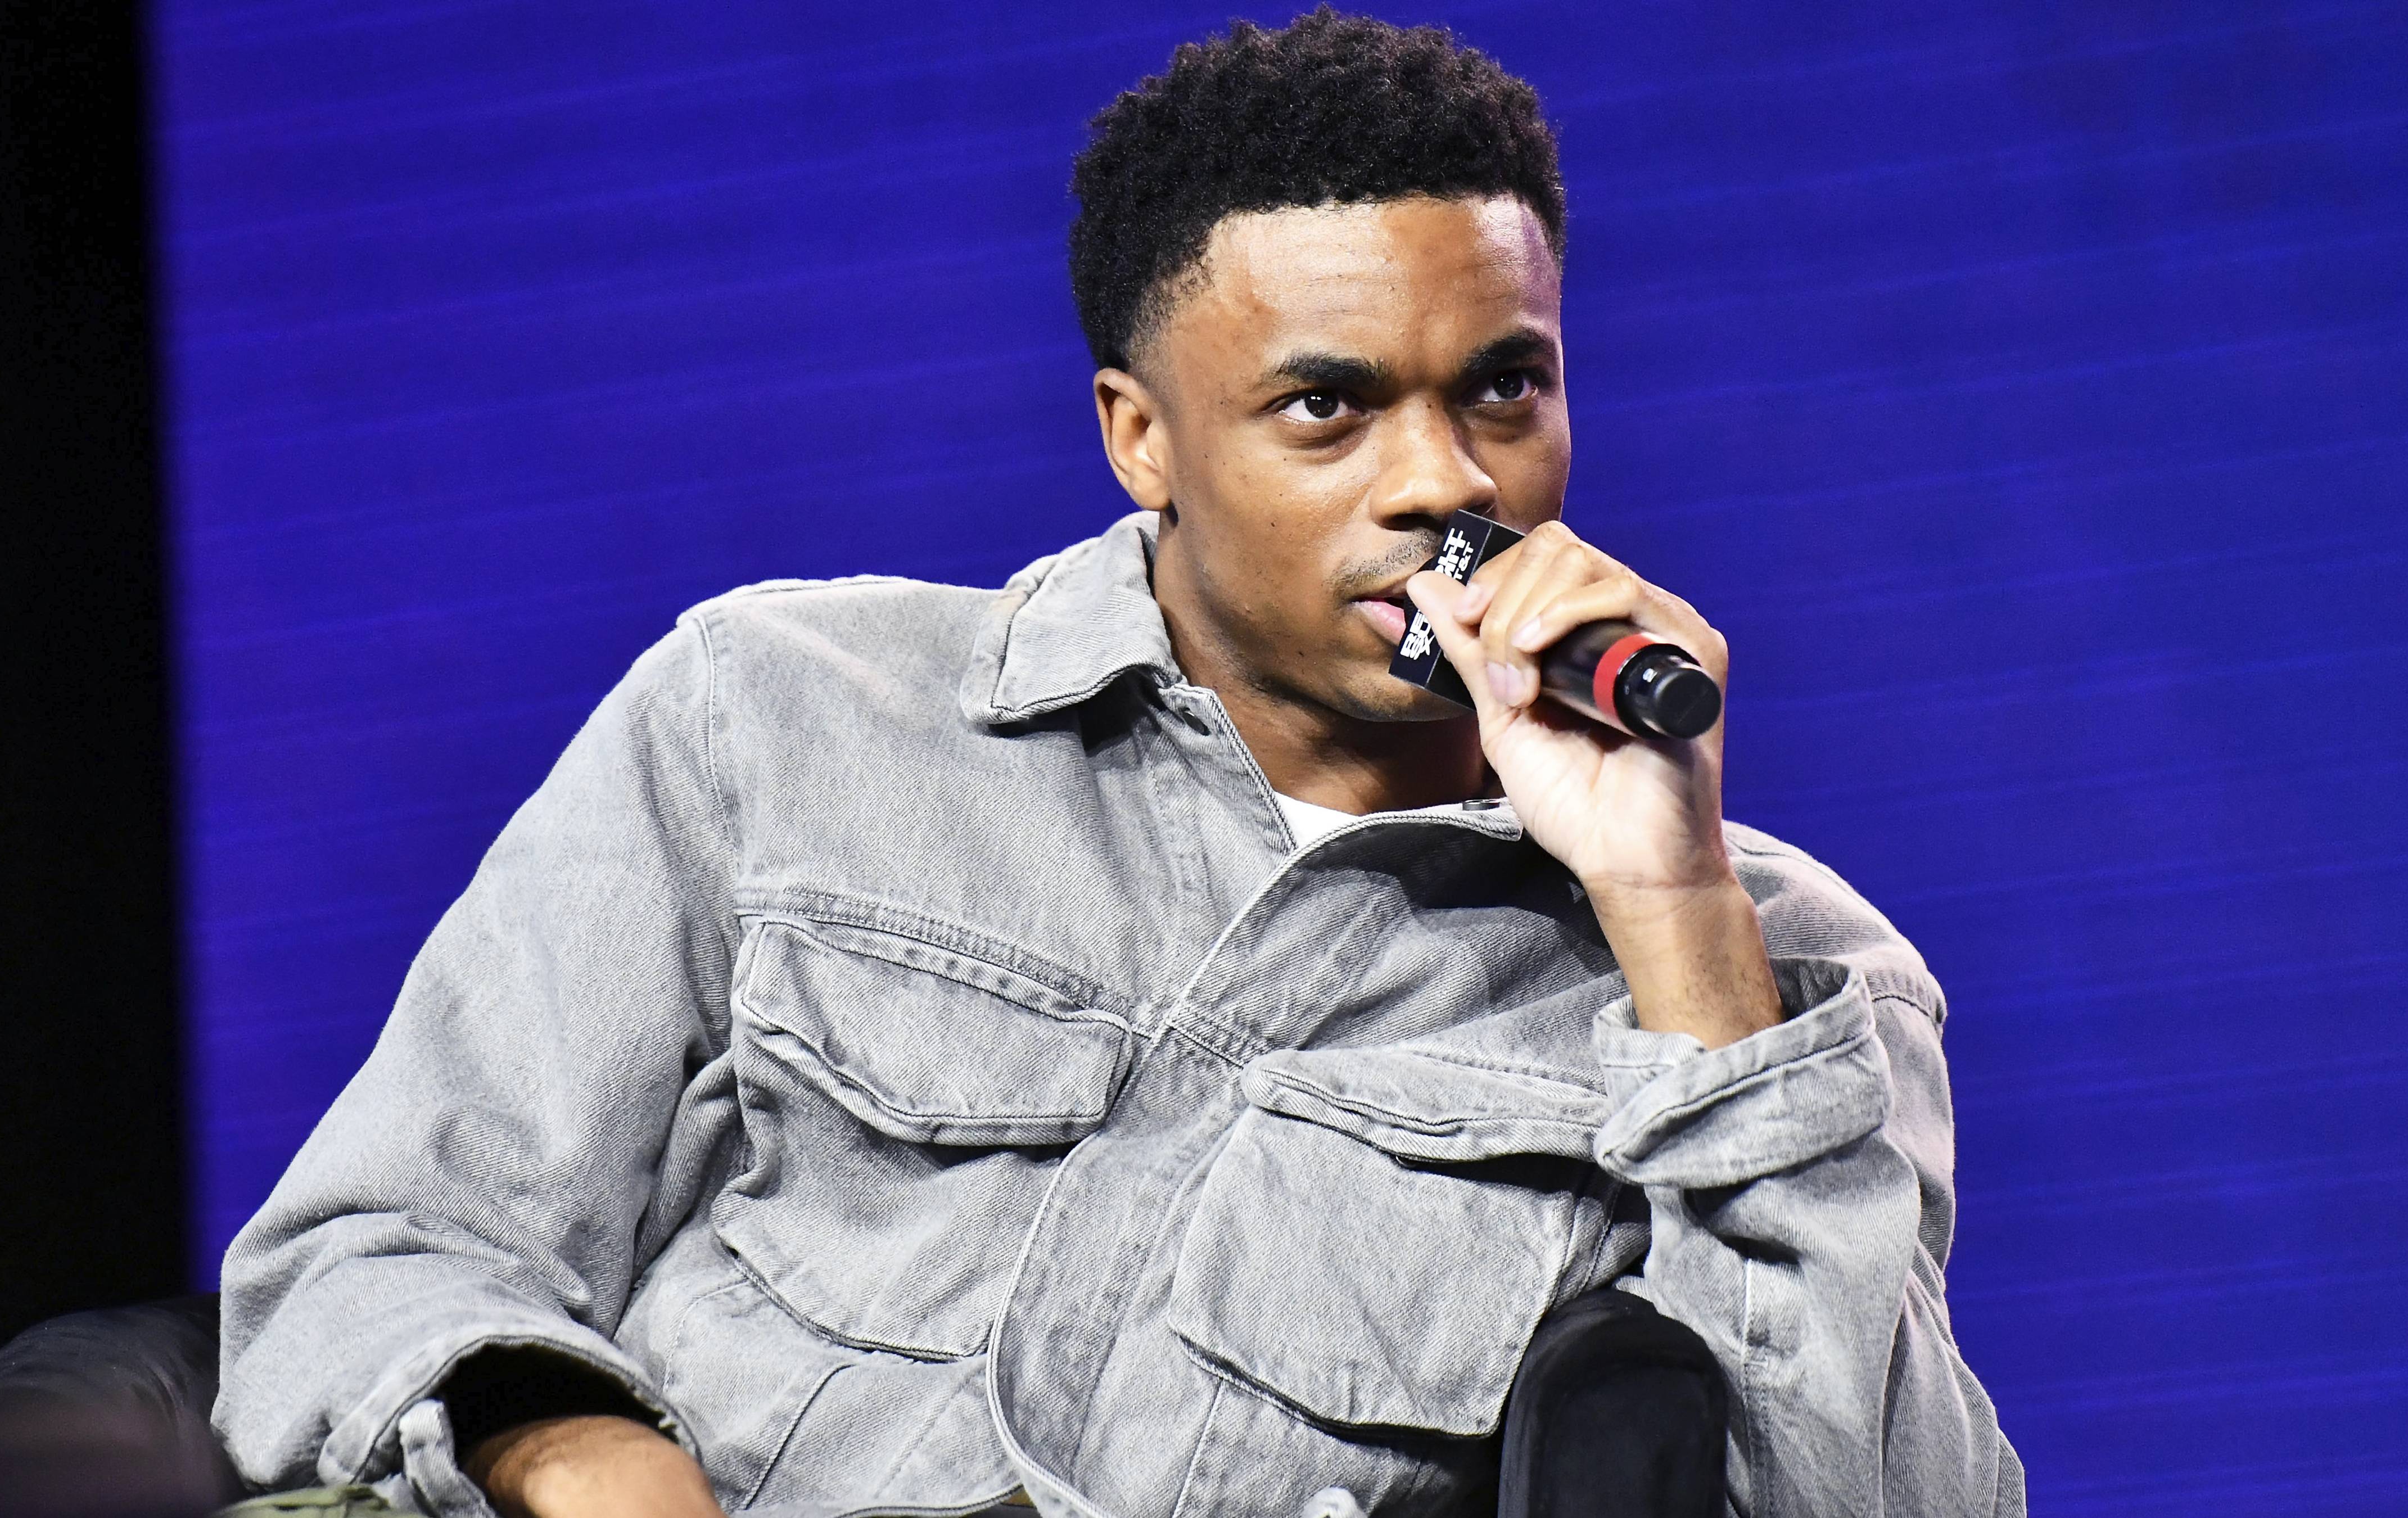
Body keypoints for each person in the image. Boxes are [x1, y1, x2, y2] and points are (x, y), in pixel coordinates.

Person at [214, 10, 2023, 1516]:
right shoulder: (774, 711)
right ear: (1140, 437)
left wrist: (1674, 913)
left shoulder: (1780, 964)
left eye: (1504, 386)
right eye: (1328, 405)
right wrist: (580, 1451)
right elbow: (372, 1248)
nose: (1449, 481)